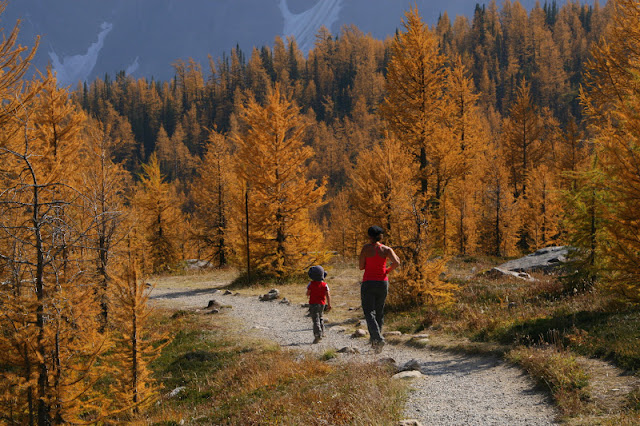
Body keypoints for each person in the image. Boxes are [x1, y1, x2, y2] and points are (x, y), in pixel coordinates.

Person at [359, 226, 400, 353]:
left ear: (369, 236)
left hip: (368, 282)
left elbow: (361, 266)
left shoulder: (366, 248)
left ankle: (377, 338)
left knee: (369, 312)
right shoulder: (386, 249)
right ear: (381, 236)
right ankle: (376, 344)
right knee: (379, 312)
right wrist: (387, 270)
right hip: (382, 282)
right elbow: (397, 262)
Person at [307, 265, 332, 344]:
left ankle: (318, 336)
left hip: (313, 304)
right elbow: (328, 295)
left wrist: (309, 294)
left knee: (316, 320)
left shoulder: (311, 284)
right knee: (321, 317)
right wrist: (329, 304)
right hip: (322, 304)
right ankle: (322, 332)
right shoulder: (325, 285)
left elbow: (308, 293)